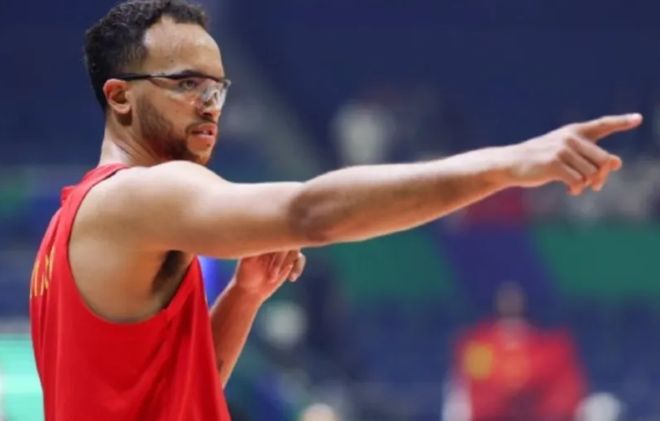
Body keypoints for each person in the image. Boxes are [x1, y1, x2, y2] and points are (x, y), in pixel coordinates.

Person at [28, 0, 642, 420]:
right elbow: (311, 213)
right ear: (121, 97)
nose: (209, 103)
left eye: (216, 88)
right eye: (187, 83)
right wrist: (507, 163)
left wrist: (244, 297)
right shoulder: (137, 194)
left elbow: (180, 392)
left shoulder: (70, 227)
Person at [443, 282, 587, 421]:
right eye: (506, 299)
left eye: (514, 299)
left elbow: (565, 391)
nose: (510, 304)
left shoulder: (548, 347)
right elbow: (473, 387)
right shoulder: (479, 345)